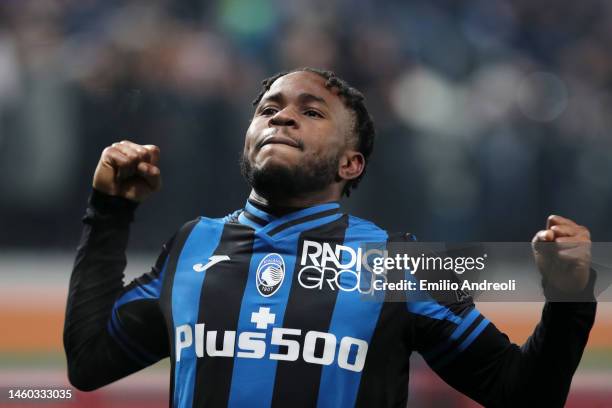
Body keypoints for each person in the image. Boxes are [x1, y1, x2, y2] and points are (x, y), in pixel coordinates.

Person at [64, 68, 597, 407]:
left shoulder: (394, 261)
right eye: (269, 109)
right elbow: (90, 362)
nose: (282, 117)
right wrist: (110, 211)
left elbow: (521, 394)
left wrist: (570, 297)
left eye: (310, 111)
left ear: (351, 162)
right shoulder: (192, 245)